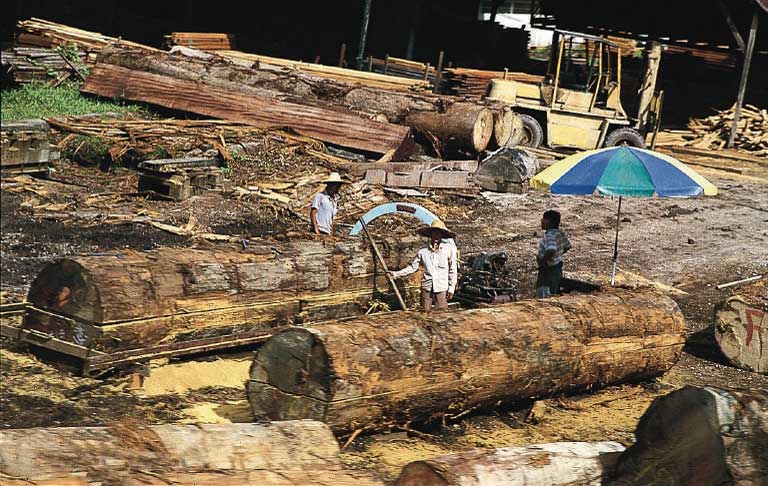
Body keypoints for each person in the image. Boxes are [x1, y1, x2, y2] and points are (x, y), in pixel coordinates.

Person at [390, 220, 458, 311]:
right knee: (425, 313)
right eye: (434, 233)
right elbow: (413, 267)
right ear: (430, 235)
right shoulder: (423, 251)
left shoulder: (449, 250)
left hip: (442, 287)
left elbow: (453, 270)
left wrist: (451, 288)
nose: (436, 235)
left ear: (442, 235)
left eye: (438, 233)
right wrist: (395, 274)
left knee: (442, 314)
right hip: (427, 286)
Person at [536, 210, 571, 298]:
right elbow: (568, 246)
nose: (542, 221)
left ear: (550, 222)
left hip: (548, 269)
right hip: (557, 268)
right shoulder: (560, 234)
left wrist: (543, 261)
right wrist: (558, 254)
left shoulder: (549, 236)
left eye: (544, 219)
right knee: (554, 291)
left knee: (544, 292)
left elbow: (551, 250)